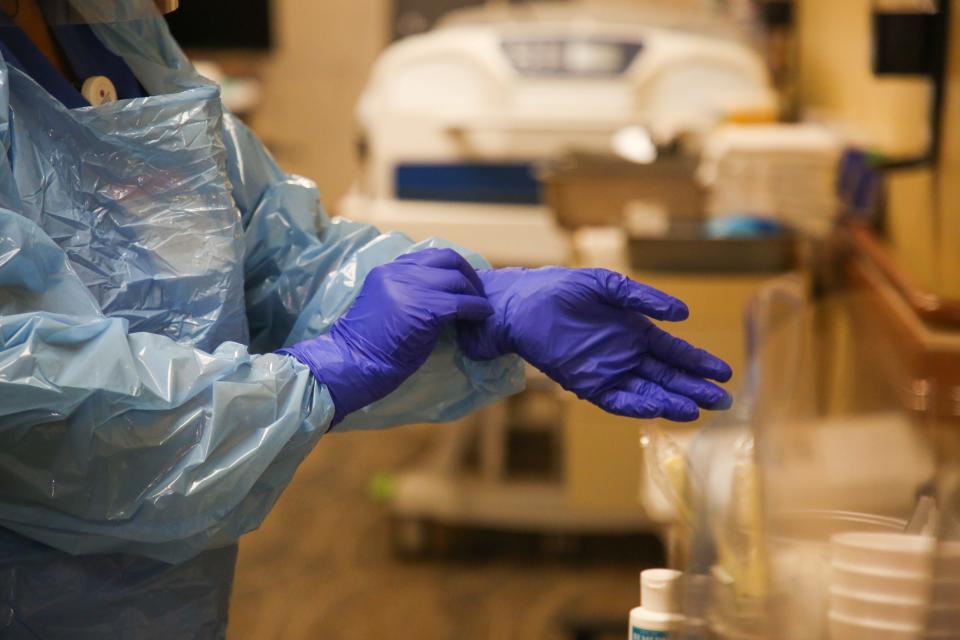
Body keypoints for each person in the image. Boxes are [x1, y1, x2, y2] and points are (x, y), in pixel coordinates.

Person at [0, 1, 733, 637]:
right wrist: (322, 371)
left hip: (167, 599)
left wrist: (481, 300)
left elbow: (267, 250)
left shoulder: (114, 26)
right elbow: (36, 405)